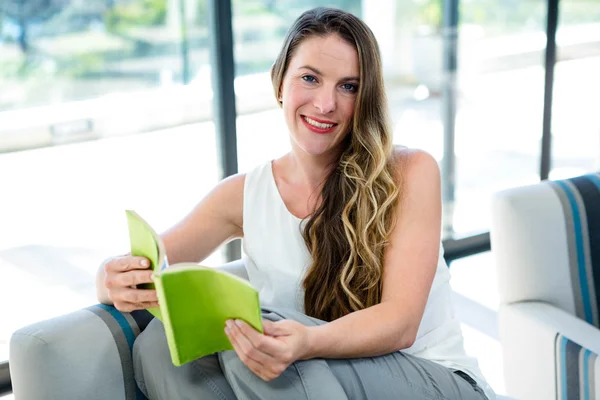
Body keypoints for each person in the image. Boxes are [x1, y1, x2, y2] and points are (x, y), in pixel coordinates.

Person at [96, 7, 495, 400]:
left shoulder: (410, 172)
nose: (325, 104)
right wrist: (108, 278)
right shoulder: (244, 194)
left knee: (266, 336)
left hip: (436, 379)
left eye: (349, 86)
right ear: (279, 83)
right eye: (310, 78)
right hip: (321, 380)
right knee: (158, 346)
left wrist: (307, 341)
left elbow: (400, 324)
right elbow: (152, 265)